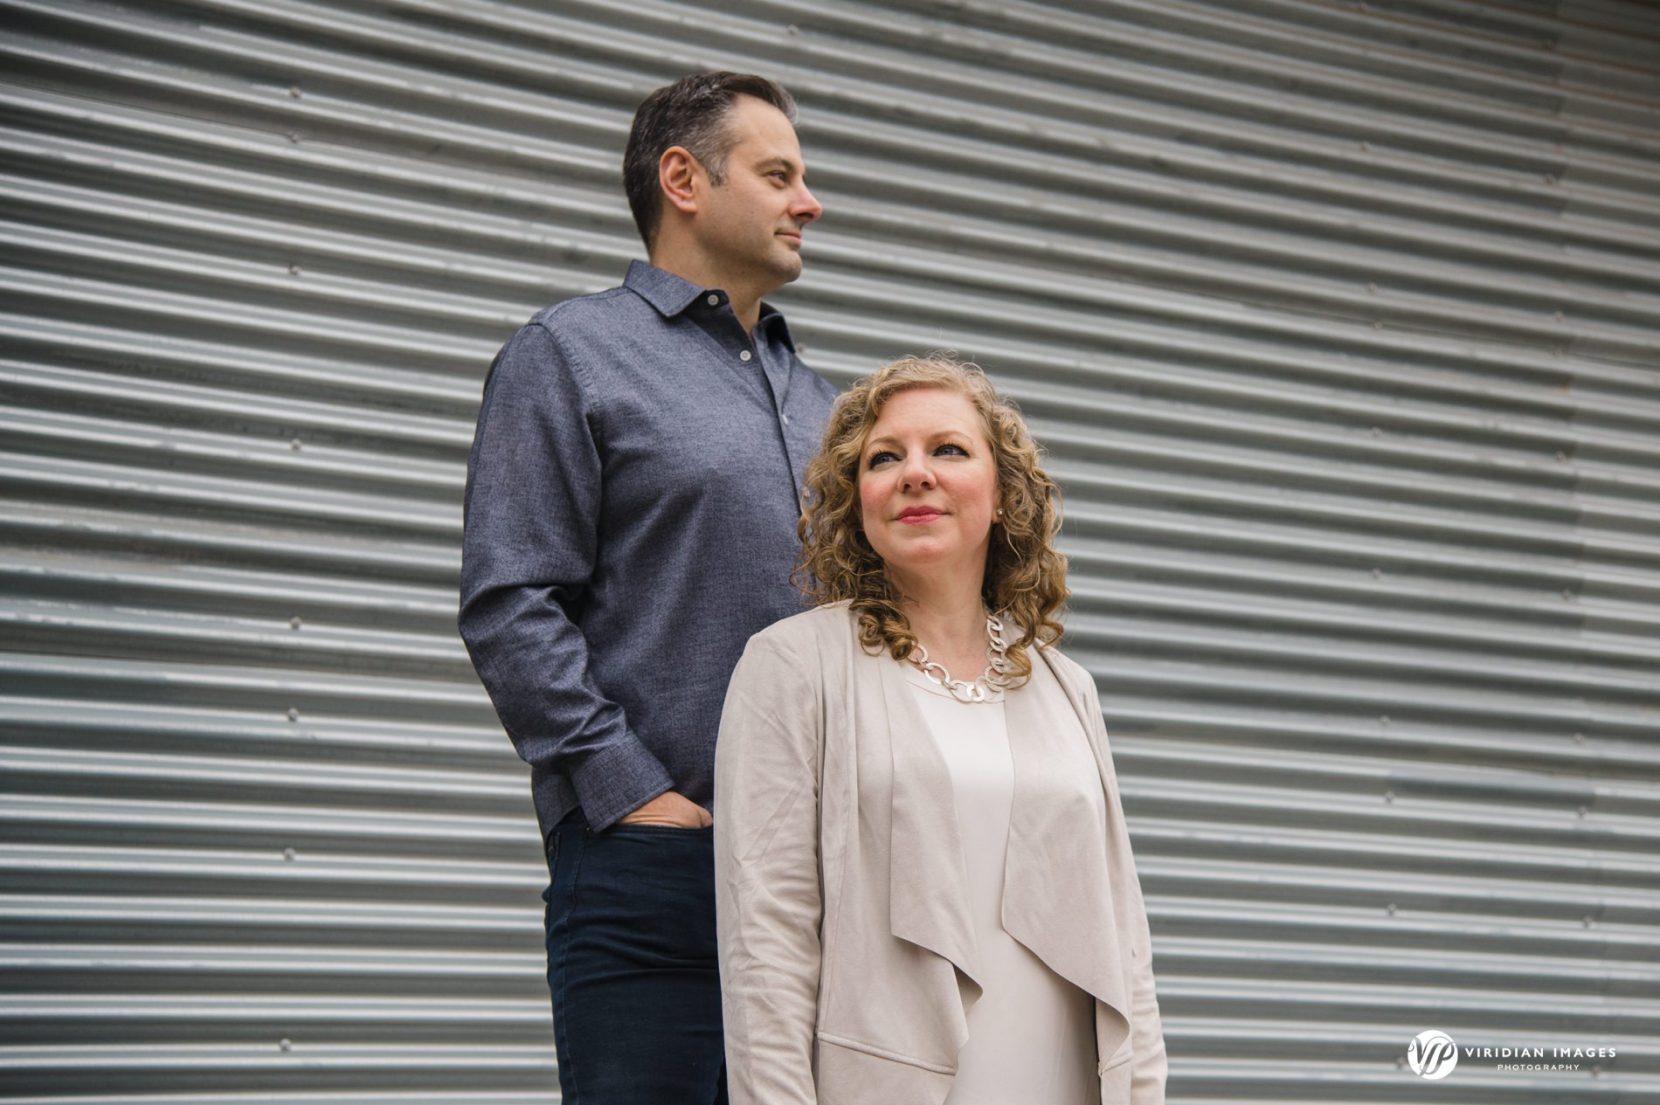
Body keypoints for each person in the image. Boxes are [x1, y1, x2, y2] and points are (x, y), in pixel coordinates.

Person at [458, 71, 832, 1104]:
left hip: (825, 882)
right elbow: (510, 599)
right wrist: (629, 791)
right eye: (778, 175)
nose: (809, 202)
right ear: (683, 179)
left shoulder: (829, 407)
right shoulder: (569, 356)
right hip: (653, 866)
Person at [713, 355, 1168, 1105]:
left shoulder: (1067, 686)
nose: (915, 474)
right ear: (857, 502)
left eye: (948, 449)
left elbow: (1125, 940)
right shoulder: (792, 665)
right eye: (884, 458)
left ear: (1004, 497)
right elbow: (765, 944)